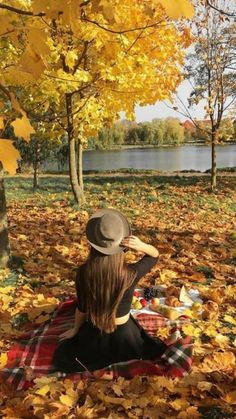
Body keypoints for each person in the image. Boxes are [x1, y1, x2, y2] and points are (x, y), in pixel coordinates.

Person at [52, 208, 167, 373]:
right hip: (125, 338)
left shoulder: (84, 272)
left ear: (93, 244)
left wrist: (76, 329)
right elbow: (154, 255)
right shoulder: (131, 274)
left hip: (93, 335)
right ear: (122, 245)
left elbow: (82, 308)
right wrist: (142, 245)